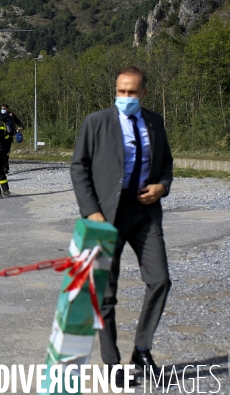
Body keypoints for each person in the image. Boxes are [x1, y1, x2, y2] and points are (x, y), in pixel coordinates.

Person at [70, 66, 173, 384]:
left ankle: (142, 349)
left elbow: (166, 163)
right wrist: (92, 213)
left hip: (144, 214)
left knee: (160, 280)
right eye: (120, 92)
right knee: (106, 294)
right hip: (106, 217)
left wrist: (162, 187)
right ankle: (113, 364)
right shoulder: (96, 122)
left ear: (143, 93)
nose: (125, 97)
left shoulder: (155, 122)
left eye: (131, 92)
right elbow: (78, 167)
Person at [0, 104, 23, 173]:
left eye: (4, 108)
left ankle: (5, 168)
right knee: (2, 152)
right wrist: (7, 116)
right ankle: (2, 166)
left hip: (9, 135)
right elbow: (1, 119)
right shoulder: (0, 114)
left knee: (7, 151)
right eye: (2, 108)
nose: (3, 110)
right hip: (2, 135)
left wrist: (21, 126)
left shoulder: (12, 115)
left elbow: (17, 121)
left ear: (7, 109)